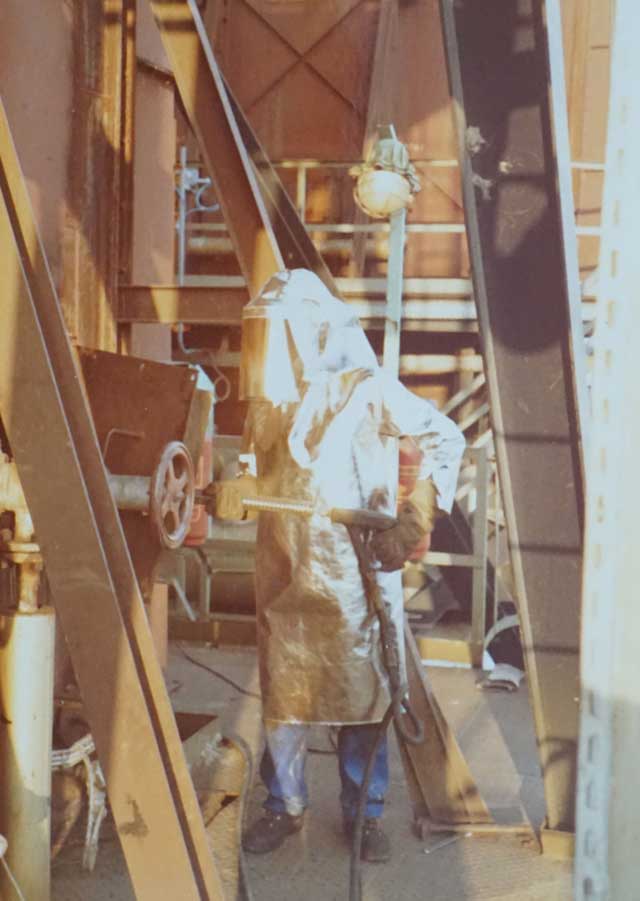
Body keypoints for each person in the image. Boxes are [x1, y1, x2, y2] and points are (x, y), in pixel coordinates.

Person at [238, 269, 464, 862]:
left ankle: (365, 811)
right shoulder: (269, 402)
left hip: (354, 574)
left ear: (310, 334)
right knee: (283, 696)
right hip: (284, 572)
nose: (269, 352)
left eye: (278, 337)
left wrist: (417, 514)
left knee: (362, 696)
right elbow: (252, 468)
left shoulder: (368, 388)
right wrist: (235, 484)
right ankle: (283, 805)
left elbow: (446, 437)